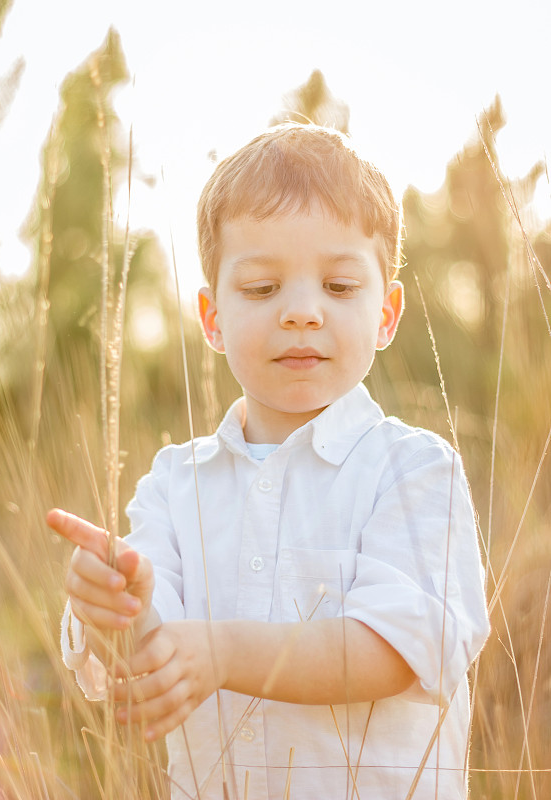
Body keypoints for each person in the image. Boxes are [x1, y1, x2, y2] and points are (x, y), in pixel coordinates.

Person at [48, 123, 490, 800]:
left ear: (387, 313)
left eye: (340, 286)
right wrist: (111, 603)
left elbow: (396, 648)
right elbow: (151, 650)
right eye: (260, 289)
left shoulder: (413, 471)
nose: (303, 313)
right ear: (213, 318)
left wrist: (224, 652)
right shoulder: (175, 485)